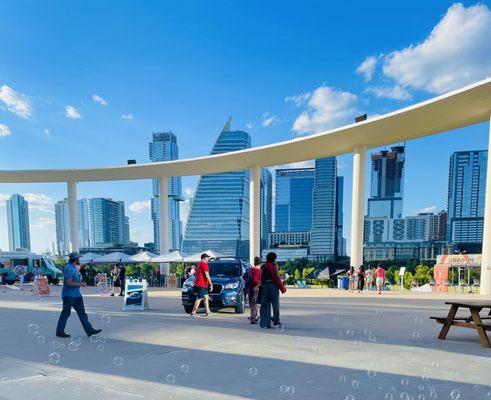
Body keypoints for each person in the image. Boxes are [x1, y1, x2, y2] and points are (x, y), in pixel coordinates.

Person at [56, 252, 101, 338]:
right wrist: (81, 284)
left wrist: (80, 283)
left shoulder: (74, 268)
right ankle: (60, 331)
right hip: (69, 295)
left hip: (77, 295)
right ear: (75, 259)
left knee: (82, 313)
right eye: (78, 258)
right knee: (66, 313)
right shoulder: (69, 268)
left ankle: (89, 330)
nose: (79, 260)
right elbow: (68, 282)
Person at [259, 252, 287, 329]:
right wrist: (282, 279)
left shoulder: (264, 266)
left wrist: (260, 286)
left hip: (265, 286)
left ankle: (266, 323)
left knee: (266, 305)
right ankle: (276, 321)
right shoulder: (274, 265)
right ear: (274, 258)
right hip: (274, 286)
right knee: (275, 304)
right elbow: (277, 276)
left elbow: (261, 278)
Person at [247, 257, 262, 325]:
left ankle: (254, 315)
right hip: (256, 288)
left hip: (250, 288)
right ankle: (254, 317)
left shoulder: (250, 270)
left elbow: (244, 277)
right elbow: (256, 281)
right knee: (254, 302)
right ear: (260, 264)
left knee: (251, 302)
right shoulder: (259, 271)